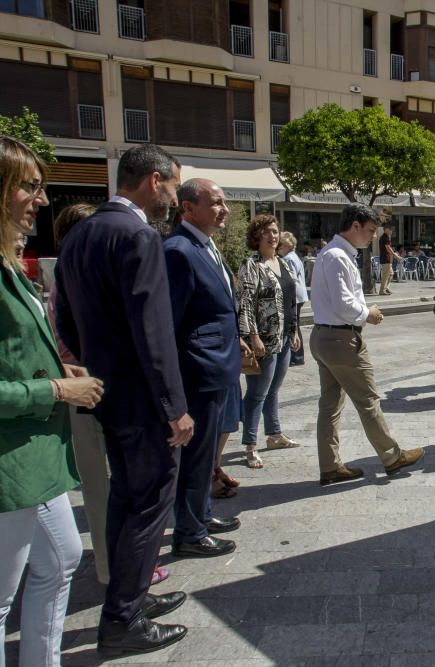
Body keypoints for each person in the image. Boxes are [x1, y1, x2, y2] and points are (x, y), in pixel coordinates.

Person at [55, 143, 191, 656]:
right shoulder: (136, 235)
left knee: (124, 502)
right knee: (149, 503)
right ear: (153, 181)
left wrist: (90, 370)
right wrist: (173, 406)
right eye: (174, 186)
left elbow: (65, 318)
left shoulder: (81, 234)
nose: (174, 199)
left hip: (106, 394)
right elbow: (153, 331)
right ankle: (123, 620)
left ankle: (127, 596)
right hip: (141, 400)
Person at [1, 137, 102, 666]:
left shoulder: (11, 266)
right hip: (10, 460)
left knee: (62, 558)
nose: (43, 201)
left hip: (35, 454)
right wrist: (58, 389)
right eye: (32, 187)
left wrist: (54, 368)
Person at [310, 203, 424, 485]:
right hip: (340, 338)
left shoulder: (332, 253)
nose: (373, 237)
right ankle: (391, 455)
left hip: (325, 336)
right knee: (368, 401)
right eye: (370, 231)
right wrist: (367, 314)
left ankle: (330, 465)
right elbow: (344, 303)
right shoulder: (337, 256)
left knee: (330, 404)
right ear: (355, 226)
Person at [163, 179, 246, 558]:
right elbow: (172, 320)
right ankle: (190, 533)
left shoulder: (205, 244)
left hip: (219, 363)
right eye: (216, 202)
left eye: (224, 201)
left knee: (206, 452)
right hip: (199, 370)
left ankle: (202, 515)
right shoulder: (178, 251)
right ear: (188, 208)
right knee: (195, 457)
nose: (224, 209)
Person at [237, 214, 302, 469]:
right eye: (267, 232)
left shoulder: (283, 264)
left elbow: (291, 301)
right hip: (263, 338)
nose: (272, 236)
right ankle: (250, 446)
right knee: (256, 393)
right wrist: (252, 336)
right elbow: (245, 304)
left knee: (273, 390)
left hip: (284, 336)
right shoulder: (251, 265)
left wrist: (295, 331)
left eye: (275, 231)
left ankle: (274, 434)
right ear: (256, 236)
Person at [279, 231, 309, 366]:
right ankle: (297, 355)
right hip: (299, 294)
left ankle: (296, 355)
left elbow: (291, 280)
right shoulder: (293, 257)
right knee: (295, 324)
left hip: (295, 296)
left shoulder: (289, 259)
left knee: (294, 325)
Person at [378, 225, 401, 295]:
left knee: (391, 274)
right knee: (386, 275)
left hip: (387, 259)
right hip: (385, 259)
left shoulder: (386, 237)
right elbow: (388, 248)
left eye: (392, 229)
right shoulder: (384, 237)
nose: (391, 231)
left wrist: (393, 254)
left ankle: (386, 288)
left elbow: (389, 248)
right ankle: (382, 290)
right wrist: (395, 255)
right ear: (386, 229)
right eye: (390, 229)